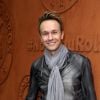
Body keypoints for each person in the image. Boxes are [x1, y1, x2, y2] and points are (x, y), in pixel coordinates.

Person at [26, 11, 96, 100]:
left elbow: (91, 97)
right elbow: (30, 97)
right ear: (41, 38)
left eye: (54, 32)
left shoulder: (81, 62)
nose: (50, 38)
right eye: (45, 33)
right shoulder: (37, 66)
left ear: (62, 35)